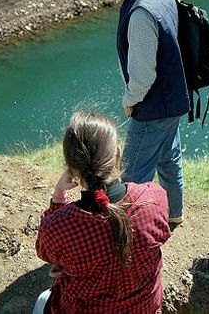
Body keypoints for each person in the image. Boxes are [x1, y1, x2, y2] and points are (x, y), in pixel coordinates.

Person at [34, 111, 170, 313]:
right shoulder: (154, 198)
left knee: (42, 300)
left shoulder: (60, 226)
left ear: (71, 167)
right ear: (116, 153)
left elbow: (46, 253)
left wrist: (58, 197)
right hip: (144, 309)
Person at [109, 0, 189, 227]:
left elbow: (143, 75)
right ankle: (172, 213)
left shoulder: (140, 11)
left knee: (133, 176)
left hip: (153, 107)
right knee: (169, 161)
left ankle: (129, 231)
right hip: (175, 98)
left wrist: (129, 102)